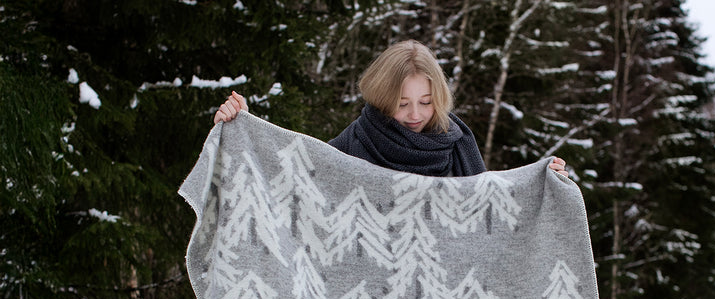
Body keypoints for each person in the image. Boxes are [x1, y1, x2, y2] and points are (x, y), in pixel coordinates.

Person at [213, 40, 568, 179]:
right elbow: (294, 176)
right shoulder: (357, 142)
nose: (415, 114)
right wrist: (241, 127)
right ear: (384, 99)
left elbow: (491, 207)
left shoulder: (457, 144)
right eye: (402, 104)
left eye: (426, 103)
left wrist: (541, 180)